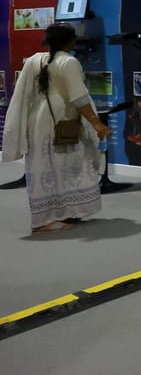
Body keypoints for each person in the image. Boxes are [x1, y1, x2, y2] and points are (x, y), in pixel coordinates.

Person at [1, 22, 113, 233]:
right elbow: (79, 97)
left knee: (44, 167)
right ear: (71, 41)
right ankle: (45, 221)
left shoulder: (35, 59)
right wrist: (96, 123)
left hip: (39, 121)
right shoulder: (69, 62)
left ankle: (54, 214)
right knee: (67, 165)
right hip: (62, 120)